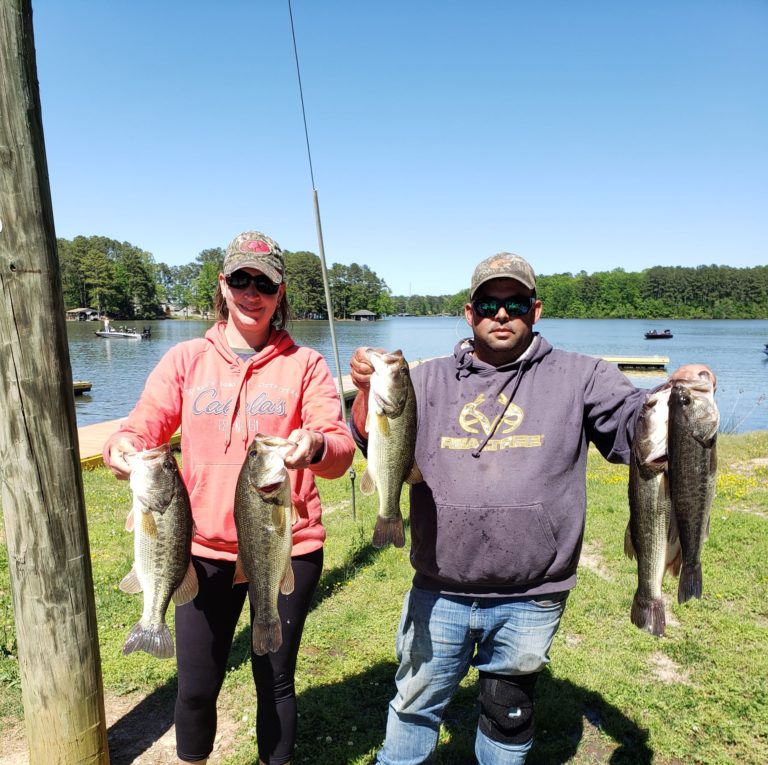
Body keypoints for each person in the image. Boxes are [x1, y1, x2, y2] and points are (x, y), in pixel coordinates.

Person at [348, 252, 714, 765]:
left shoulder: (582, 376)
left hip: (533, 594)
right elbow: (378, 441)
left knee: (508, 709)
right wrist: (366, 391)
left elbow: (637, 421)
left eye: (515, 302)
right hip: (440, 588)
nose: (502, 314)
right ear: (468, 313)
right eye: (489, 303)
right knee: (413, 706)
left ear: (536, 310)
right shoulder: (423, 378)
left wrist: (678, 392)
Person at [104, 230, 355, 765]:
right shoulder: (186, 358)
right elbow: (140, 428)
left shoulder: (306, 365)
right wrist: (123, 448)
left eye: (264, 282)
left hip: (287, 546)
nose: (251, 292)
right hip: (199, 551)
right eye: (240, 279)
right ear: (223, 284)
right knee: (196, 687)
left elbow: (338, 451)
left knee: (276, 681)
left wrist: (313, 445)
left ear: (280, 292)